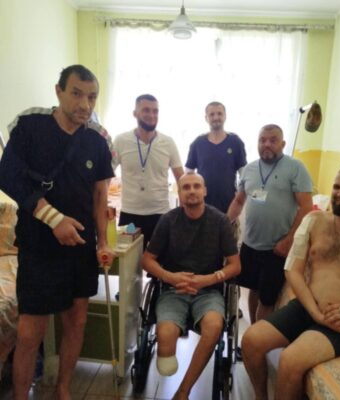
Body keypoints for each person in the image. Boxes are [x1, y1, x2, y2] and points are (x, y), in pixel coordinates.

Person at [0, 65, 115, 400]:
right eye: (77, 94)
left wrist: (103, 242)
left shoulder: (97, 139)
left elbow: (100, 196)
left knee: (76, 322)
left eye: (92, 97)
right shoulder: (30, 126)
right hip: (39, 246)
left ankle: (63, 388)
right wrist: (52, 218)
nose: (85, 104)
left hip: (81, 248)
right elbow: (8, 176)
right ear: (59, 91)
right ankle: (21, 395)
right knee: (29, 331)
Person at [241, 165, 340, 400]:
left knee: (290, 360)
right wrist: (315, 313)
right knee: (251, 341)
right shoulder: (314, 221)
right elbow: (292, 270)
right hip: (308, 307)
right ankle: (260, 397)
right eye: (337, 187)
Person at [141, 172, 241, 400]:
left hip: (209, 291)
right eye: (186, 187)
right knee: (166, 353)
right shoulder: (168, 220)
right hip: (173, 290)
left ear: (205, 191)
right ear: (179, 192)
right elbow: (147, 260)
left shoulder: (220, 221)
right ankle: (170, 361)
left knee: (214, 327)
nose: (192, 191)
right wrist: (170, 277)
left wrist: (207, 279)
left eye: (197, 186)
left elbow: (235, 266)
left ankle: (183, 391)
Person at [227, 124, 313, 323]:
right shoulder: (249, 169)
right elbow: (239, 201)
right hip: (250, 244)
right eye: (262, 140)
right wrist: (223, 225)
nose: (267, 144)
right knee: (253, 290)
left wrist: (289, 240)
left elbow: (306, 207)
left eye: (273, 140)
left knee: (267, 298)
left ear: (283, 144)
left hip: (277, 247)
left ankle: (259, 337)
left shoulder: (295, 168)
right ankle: (254, 332)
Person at [113, 94, 184, 249]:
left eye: (155, 111)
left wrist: (184, 212)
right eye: (146, 110)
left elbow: (181, 179)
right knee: (129, 261)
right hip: (130, 215)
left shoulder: (168, 142)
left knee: (162, 261)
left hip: (160, 214)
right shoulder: (120, 141)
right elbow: (105, 176)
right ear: (135, 113)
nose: (151, 115)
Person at [185, 101, 247, 213]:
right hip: (202, 205)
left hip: (229, 205)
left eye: (219, 113)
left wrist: (239, 197)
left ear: (225, 116)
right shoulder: (197, 143)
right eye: (212, 114)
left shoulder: (235, 142)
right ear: (206, 118)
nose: (216, 117)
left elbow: (244, 175)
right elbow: (188, 174)